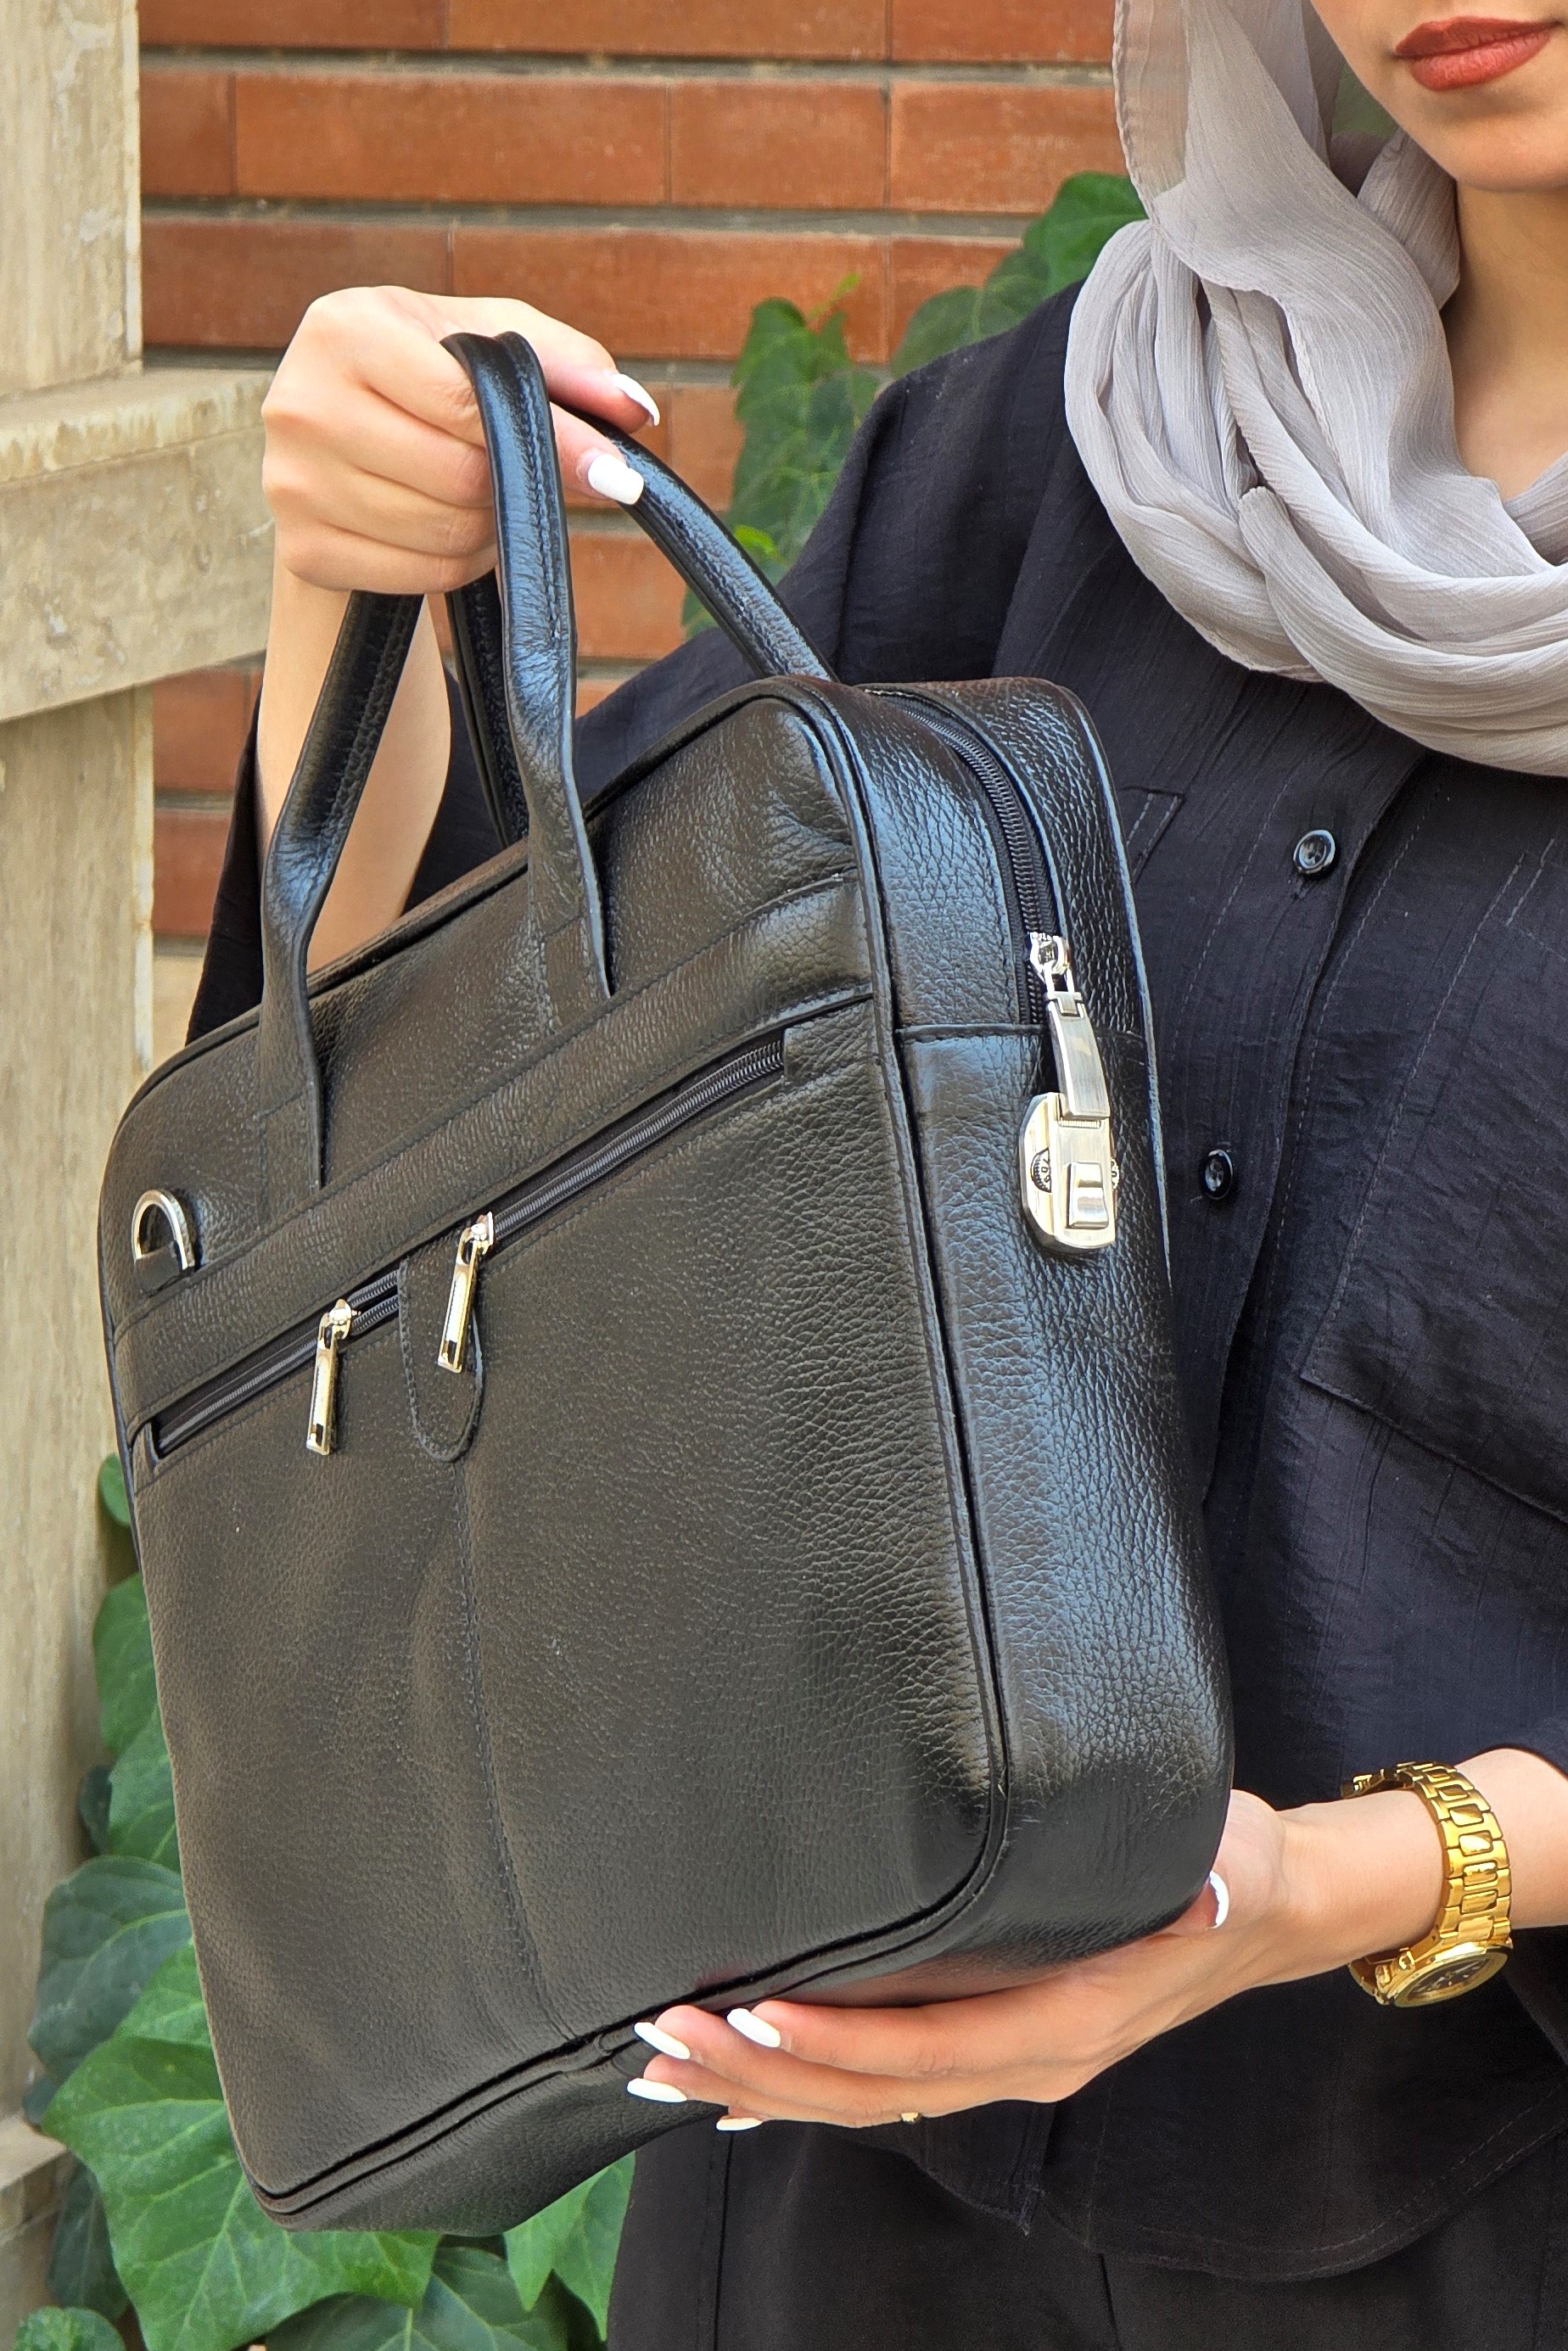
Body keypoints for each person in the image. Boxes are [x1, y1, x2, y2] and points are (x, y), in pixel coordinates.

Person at [191, 0, 1568, 2339]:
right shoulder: (1078, 453)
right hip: (825, 2207)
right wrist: (359, 580)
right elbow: (448, 1130)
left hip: (1468, 2211)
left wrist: (1346, 1879)